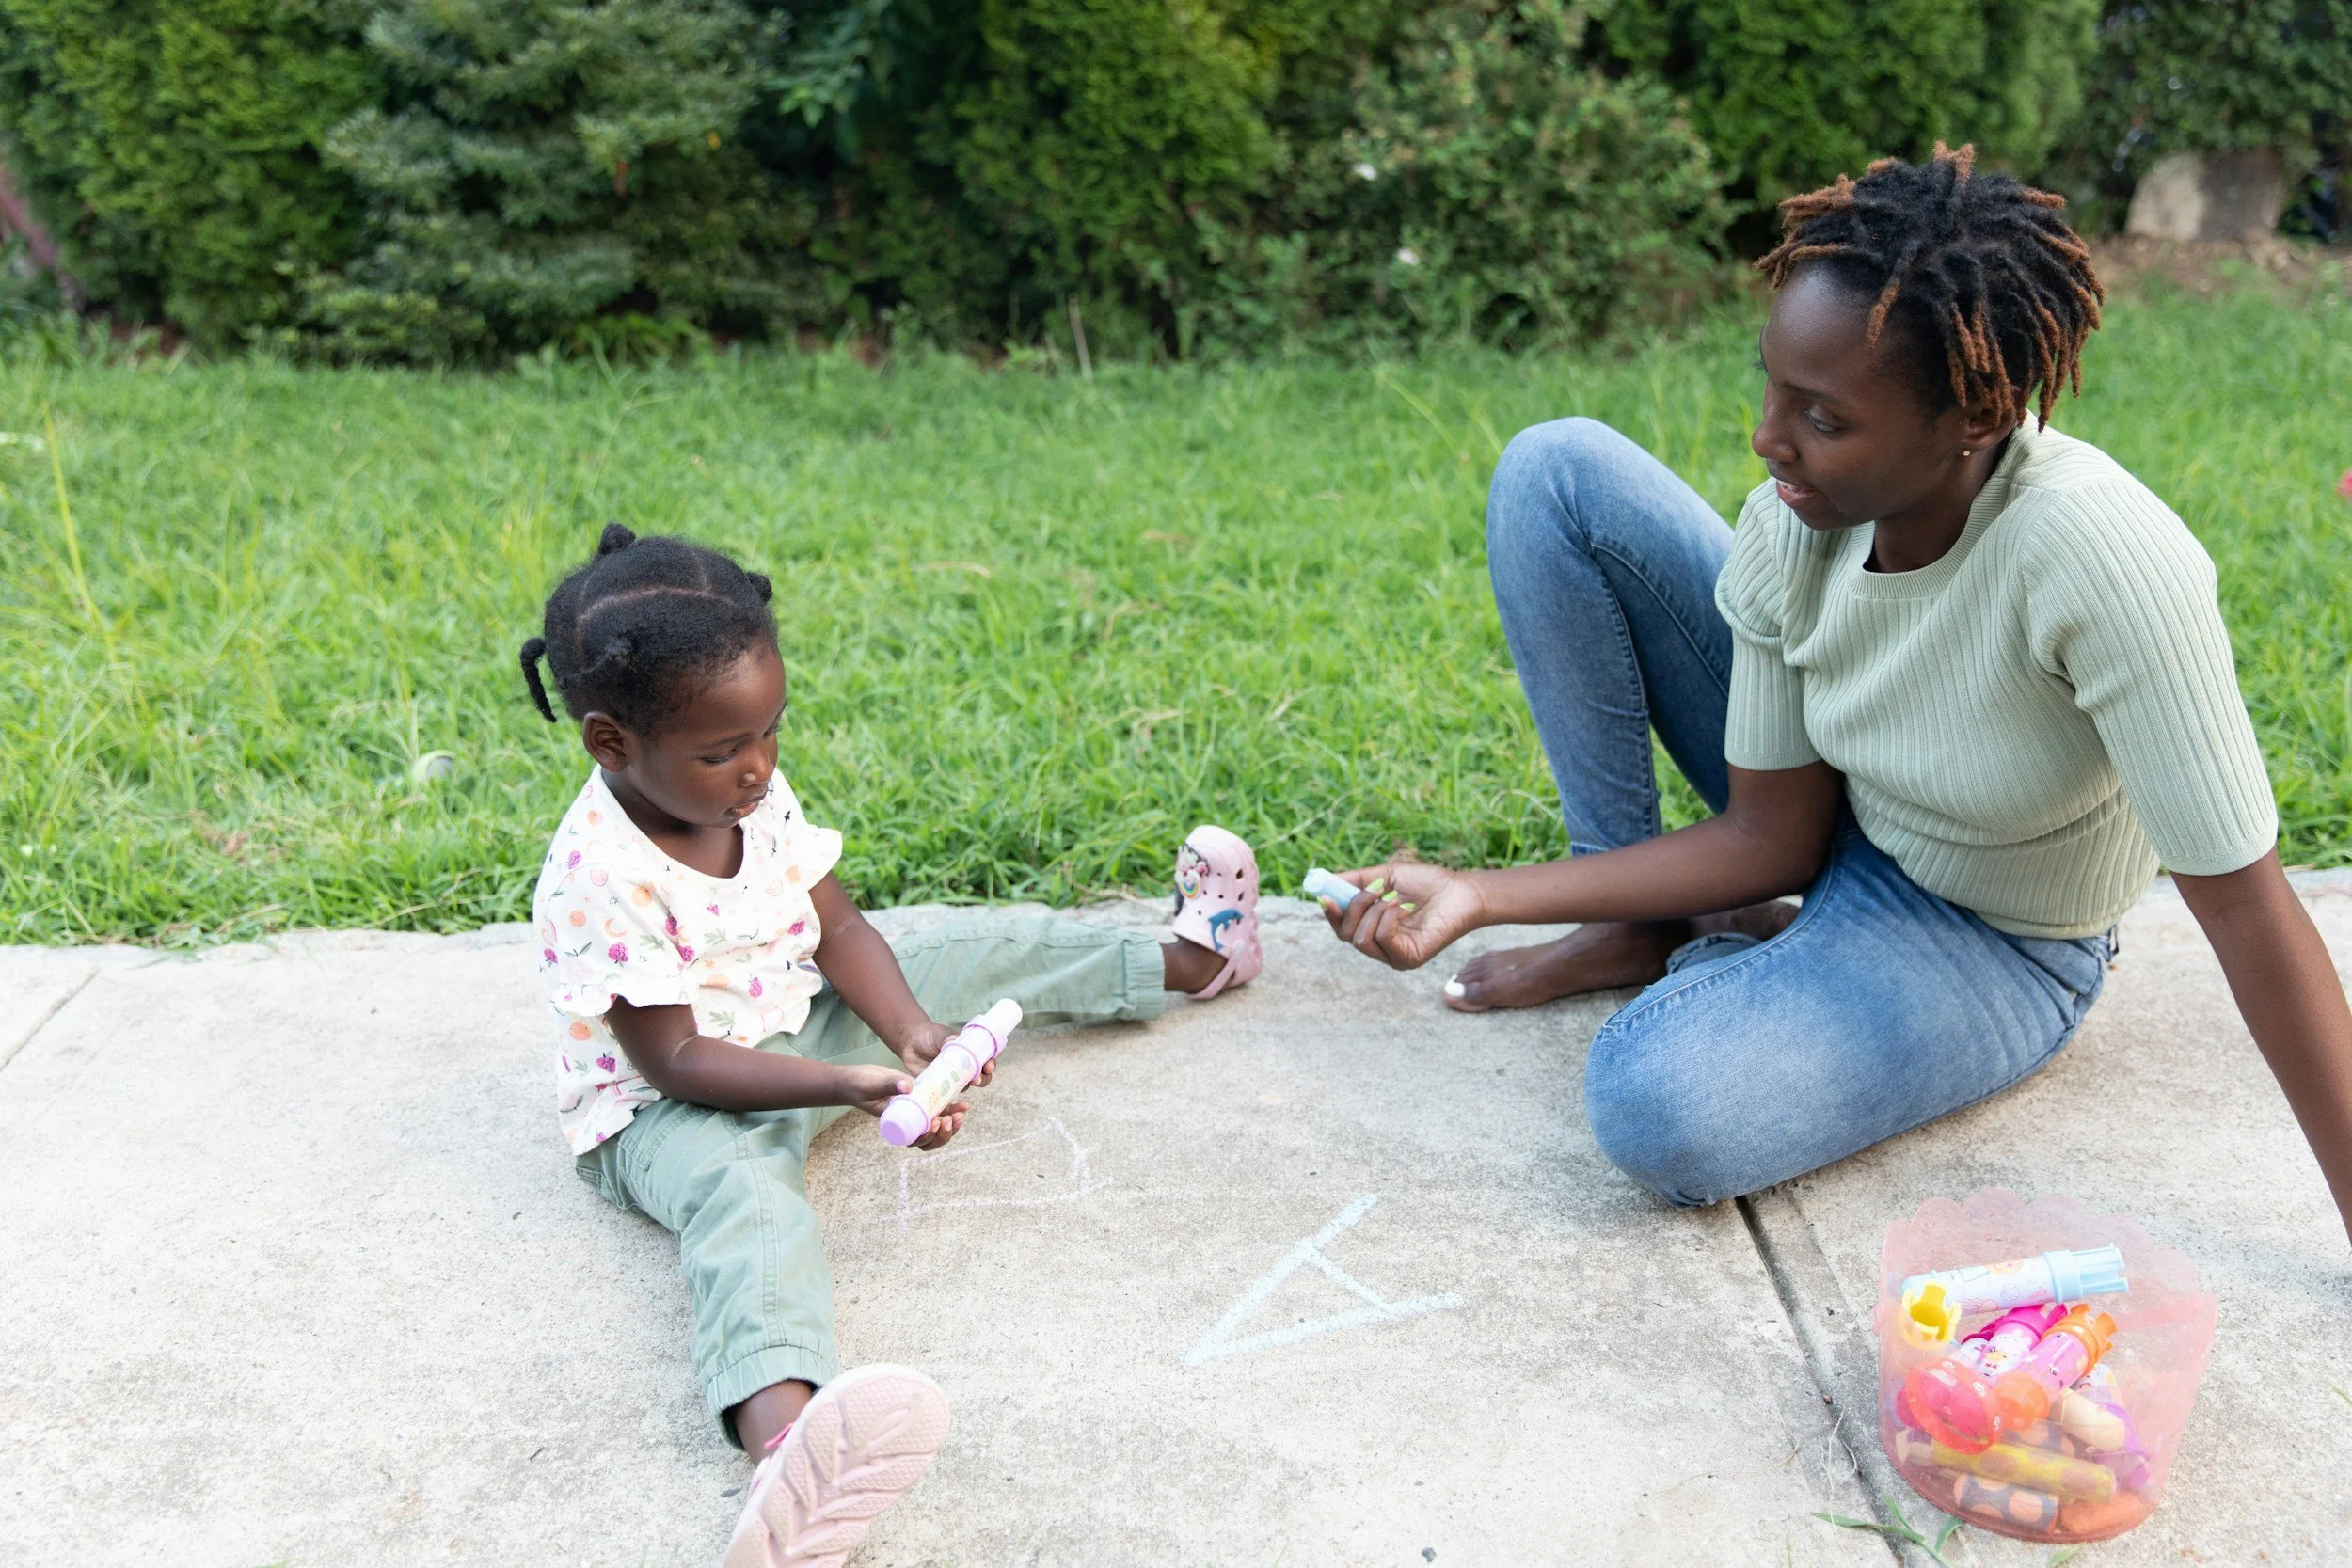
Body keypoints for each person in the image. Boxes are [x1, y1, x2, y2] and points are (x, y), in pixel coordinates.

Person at [1316, 146, 2352, 1242]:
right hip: (1840, 807)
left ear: (1973, 415)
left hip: (1988, 933)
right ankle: (1636, 922)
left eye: (1823, 416)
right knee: (1556, 471)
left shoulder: (2101, 559)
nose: (1768, 438)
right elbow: (1773, 833)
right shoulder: (1795, 516)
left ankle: (1744, 953)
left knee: (1657, 1101)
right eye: (1771, 387)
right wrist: (1482, 891)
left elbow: (2246, 907)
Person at [517, 526, 1263, 1565]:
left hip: (792, 1011)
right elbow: (675, 1060)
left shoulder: (748, 790)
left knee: (965, 945)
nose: (758, 767)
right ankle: (785, 1452)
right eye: (723, 750)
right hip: (666, 1106)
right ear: (610, 742)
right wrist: (847, 1081)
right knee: (746, 1201)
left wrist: (913, 1034)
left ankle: (1191, 961)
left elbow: (843, 927)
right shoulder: (603, 875)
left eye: (769, 731)